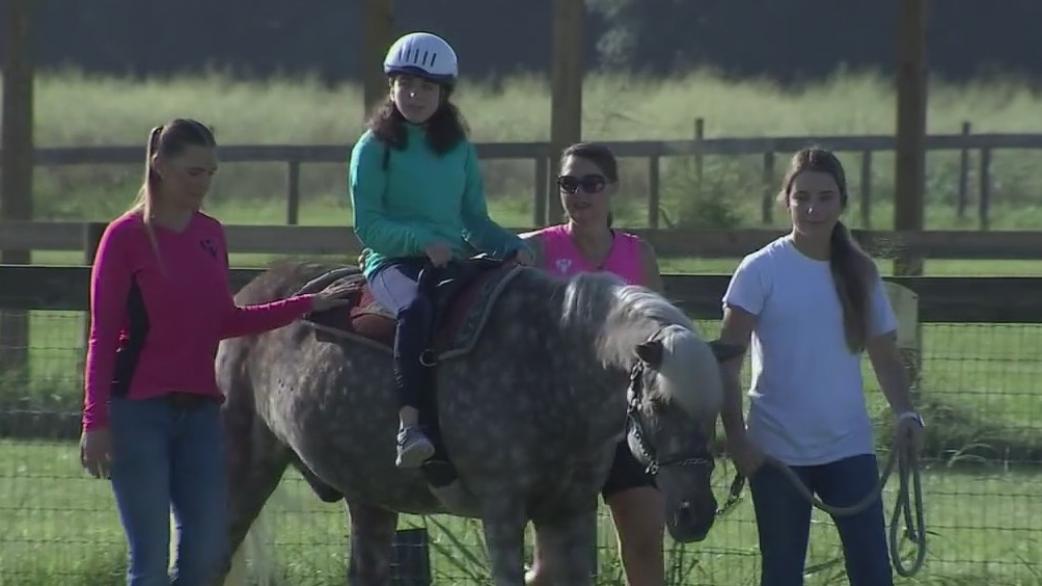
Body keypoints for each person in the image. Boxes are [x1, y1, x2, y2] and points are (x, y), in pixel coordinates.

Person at [79, 118, 348, 585]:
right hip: (137, 413)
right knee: (149, 560)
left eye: (210, 174)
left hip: (201, 416)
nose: (202, 185)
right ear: (159, 166)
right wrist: (94, 422)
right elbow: (103, 336)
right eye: (192, 173)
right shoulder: (124, 239)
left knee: (206, 554)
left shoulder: (210, 235)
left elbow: (225, 321)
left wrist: (305, 305)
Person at [716, 147, 925, 586]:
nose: (813, 208)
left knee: (872, 572)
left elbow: (885, 359)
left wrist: (906, 412)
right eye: (802, 196)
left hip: (848, 447)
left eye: (825, 197)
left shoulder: (861, 273)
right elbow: (726, 365)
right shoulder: (759, 271)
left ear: (842, 201)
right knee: (782, 573)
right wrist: (737, 438)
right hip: (776, 452)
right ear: (786, 200)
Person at [349, 32, 533, 469]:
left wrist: (514, 246)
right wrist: (419, 242)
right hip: (392, 262)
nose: (414, 95)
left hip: (450, 261)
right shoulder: (373, 148)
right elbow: (367, 225)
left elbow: (474, 221)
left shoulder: (459, 151)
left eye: (427, 87)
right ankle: (409, 425)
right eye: (406, 83)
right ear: (391, 85)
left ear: (443, 94)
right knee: (416, 310)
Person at [521, 142, 665, 586]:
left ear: (612, 188)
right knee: (557, 568)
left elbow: (658, 338)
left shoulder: (638, 256)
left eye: (591, 184)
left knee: (644, 543)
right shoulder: (534, 252)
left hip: (625, 424)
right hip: (559, 430)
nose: (578, 194)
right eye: (568, 184)